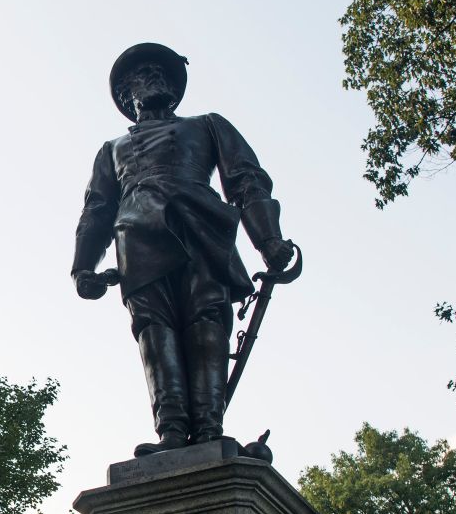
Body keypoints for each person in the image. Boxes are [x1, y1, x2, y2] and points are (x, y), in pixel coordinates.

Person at [72, 43, 294, 456]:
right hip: (137, 240)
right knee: (153, 332)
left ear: (175, 91)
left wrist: (270, 242)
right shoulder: (112, 149)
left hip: (201, 229)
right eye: (143, 74)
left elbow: (247, 182)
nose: (155, 76)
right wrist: (83, 266)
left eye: (162, 73)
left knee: (206, 323)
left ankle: (209, 429)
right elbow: (97, 209)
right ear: (126, 95)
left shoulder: (208, 125)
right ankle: (171, 432)